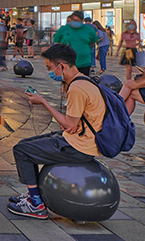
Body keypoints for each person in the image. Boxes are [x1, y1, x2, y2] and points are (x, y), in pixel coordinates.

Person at [7, 43, 105, 219]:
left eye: (50, 68)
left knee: (21, 151)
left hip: (79, 147)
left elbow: (69, 123)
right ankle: (33, 195)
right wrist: (71, 124)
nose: (49, 72)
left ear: (62, 66)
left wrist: (43, 102)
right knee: (24, 144)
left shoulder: (77, 88)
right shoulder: (84, 80)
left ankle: (36, 204)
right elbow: (76, 121)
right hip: (82, 138)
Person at [52, 10, 98, 76]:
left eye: (77, 20)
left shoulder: (89, 30)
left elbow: (93, 41)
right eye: (74, 20)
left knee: (83, 83)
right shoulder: (64, 29)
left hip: (84, 62)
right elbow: (56, 41)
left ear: (82, 21)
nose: (75, 22)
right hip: (67, 62)